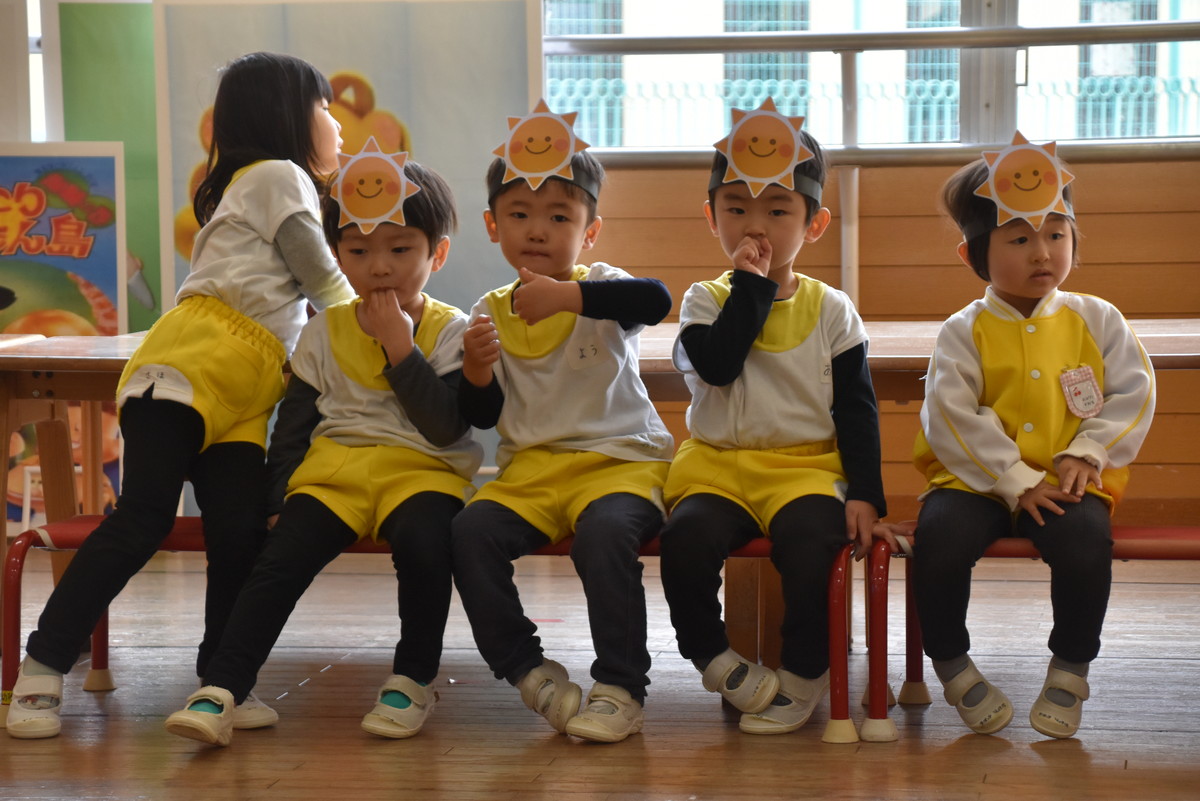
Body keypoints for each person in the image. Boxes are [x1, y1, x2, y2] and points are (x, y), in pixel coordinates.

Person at [6, 51, 356, 740]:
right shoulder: (279, 175)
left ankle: (221, 681)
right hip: (188, 369)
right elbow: (325, 282)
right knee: (142, 520)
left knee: (240, 534)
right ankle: (41, 665)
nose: (336, 124)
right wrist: (392, 329)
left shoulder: (259, 185)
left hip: (245, 395)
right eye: (324, 107)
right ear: (287, 116)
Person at [163, 150, 480, 747]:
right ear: (335, 255)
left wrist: (400, 347)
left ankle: (413, 679)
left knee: (425, 545)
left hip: (423, 474)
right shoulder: (322, 331)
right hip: (334, 476)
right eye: (358, 251)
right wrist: (278, 498)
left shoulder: (451, 330)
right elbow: (293, 427)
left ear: (436, 254)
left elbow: (445, 428)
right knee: (277, 561)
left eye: (400, 249)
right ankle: (223, 687)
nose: (379, 267)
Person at [910, 133, 1155, 738]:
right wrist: (1014, 480)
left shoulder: (1097, 318)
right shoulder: (962, 330)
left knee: (1085, 544)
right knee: (938, 541)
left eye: (1057, 234)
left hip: (1068, 479)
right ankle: (952, 664)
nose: (1042, 252)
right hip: (975, 482)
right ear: (973, 255)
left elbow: (1134, 392)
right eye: (1019, 239)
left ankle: (1071, 668)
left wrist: (1089, 451)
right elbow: (950, 416)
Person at [658, 100, 886, 736]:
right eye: (736, 209)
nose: (755, 225)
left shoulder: (832, 308)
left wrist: (866, 492)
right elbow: (719, 365)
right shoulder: (705, 299)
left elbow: (858, 406)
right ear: (712, 217)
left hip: (802, 470)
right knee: (685, 541)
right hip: (717, 468)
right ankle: (714, 659)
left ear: (814, 225)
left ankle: (805, 672)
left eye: (778, 211)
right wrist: (751, 289)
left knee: (813, 546)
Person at [451, 101, 674, 744]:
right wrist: (475, 370)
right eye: (519, 214)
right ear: (493, 226)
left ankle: (621, 686)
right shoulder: (489, 309)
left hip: (620, 464)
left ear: (590, 231)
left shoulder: (601, 286)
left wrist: (569, 297)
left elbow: (656, 300)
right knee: (468, 533)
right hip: (532, 476)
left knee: (603, 537)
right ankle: (527, 670)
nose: (537, 230)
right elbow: (482, 416)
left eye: (559, 217)